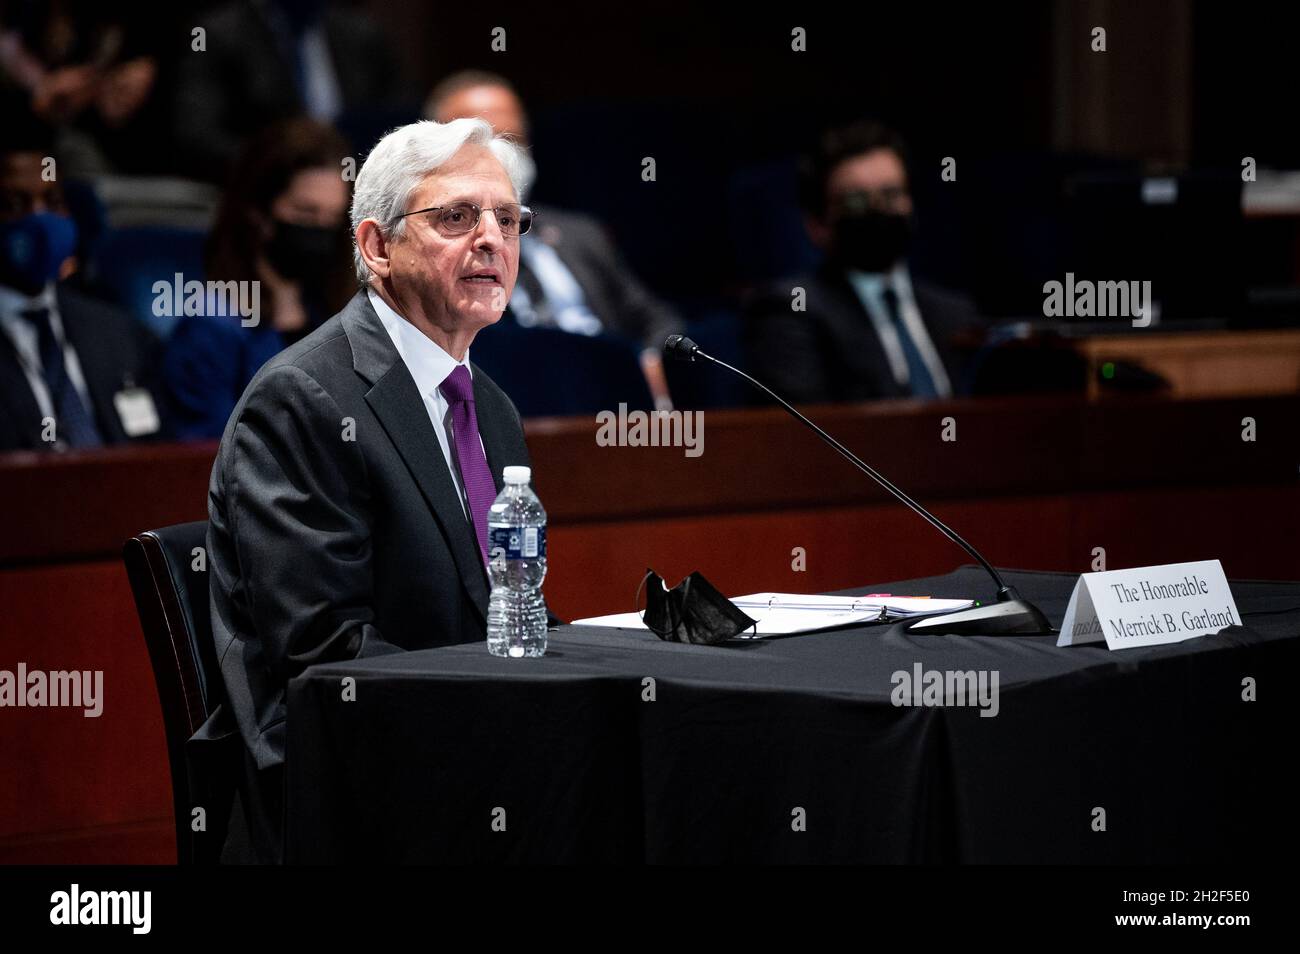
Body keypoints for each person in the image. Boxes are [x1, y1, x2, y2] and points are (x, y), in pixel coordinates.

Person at [203, 118, 535, 863]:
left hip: (474, 770)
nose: (492, 239)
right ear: (376, 246)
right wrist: (500, 719)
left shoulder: (494, 409)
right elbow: (328, 653)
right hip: (350, 800)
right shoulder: (304, 399)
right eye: (456, 216)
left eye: (507, 219)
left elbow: (510, 607)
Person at [425, 70, 683, 354]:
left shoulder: (581, 233)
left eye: (513, 140)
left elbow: (656, 320)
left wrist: (648, 363)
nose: (503, 157)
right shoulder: (433, 241)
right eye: (483, 142)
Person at [743, 120, 984, 403]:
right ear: (817, 224)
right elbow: (807, 434)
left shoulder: (955, 313)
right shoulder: (789, 311)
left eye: (891, 195)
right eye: (857, 201)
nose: (878, 210)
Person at [162, 118, 354, 439]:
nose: (320, 231)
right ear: (258, 212)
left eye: (332, 218)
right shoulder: (213, 326)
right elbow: (207, 458)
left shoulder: (336, 313)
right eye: (305, 213)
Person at [0, 113, 166, 452]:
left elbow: (162, 461)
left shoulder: (119, 334)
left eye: (53, 203)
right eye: (16, 205)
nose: (40, 220)